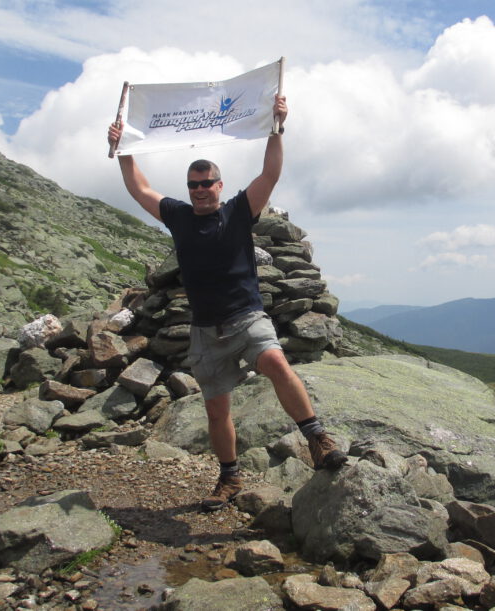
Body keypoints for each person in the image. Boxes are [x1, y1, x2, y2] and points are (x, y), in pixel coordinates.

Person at [107, 94, 347, 511]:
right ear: (190, 189)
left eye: (207, 183)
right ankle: (229, 477)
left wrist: (277, 127)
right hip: (205, 329)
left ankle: (317, 439)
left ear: (220, 184)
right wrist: (124, 150)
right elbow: (139, 188)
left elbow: (270, 174)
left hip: (247, 316)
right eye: (194, 185)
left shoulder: (238, 211)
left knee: (275, 363)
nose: (200, 190)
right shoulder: (178, 216)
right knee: (217, 411)